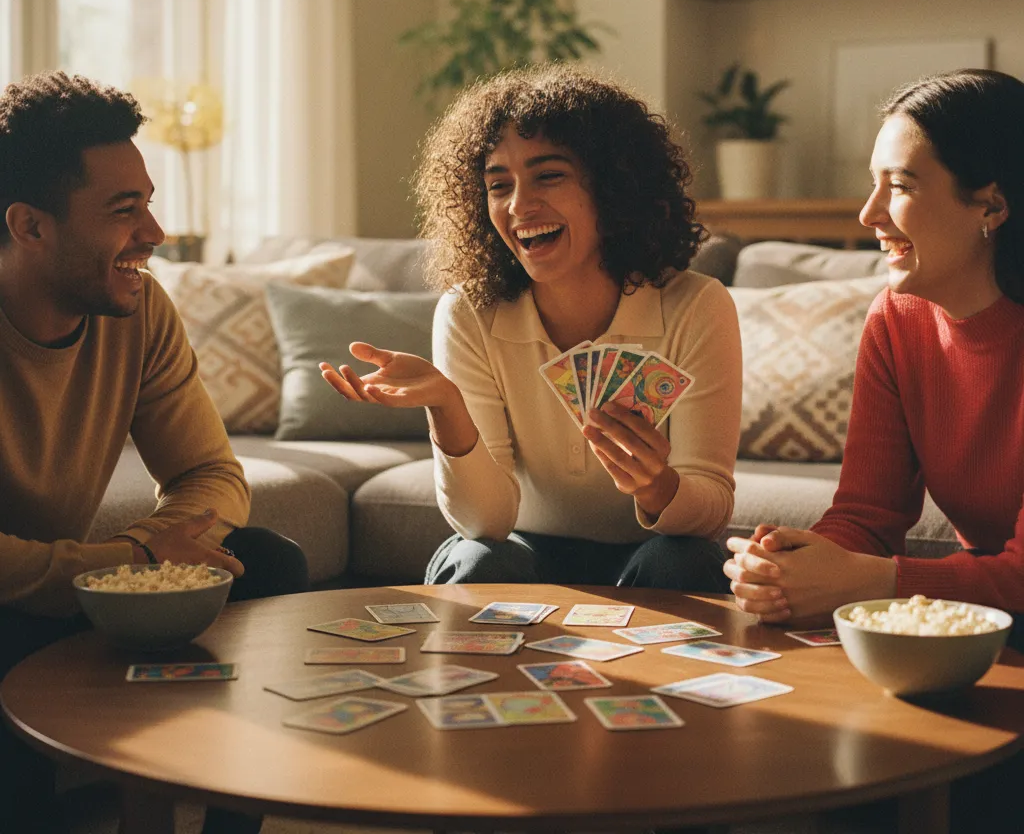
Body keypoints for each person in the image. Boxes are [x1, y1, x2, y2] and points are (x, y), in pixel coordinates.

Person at [0, 71, 310, 834]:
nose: (155, 233)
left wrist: (145, 556)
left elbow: (209, 473)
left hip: (69, 587)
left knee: (268, 562)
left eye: (148, 200)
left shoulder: (136, 309)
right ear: (30, 227)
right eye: (124, 208)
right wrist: (131, 563)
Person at [321, 63, 741, 590]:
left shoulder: (697, 305)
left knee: (684, 561)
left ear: (612, 188)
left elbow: (711, 508)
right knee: (480, 559)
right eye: (499, 185)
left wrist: (658, 487)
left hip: (648, 555)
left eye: (549, 175)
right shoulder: (468, 313)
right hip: (518, 554)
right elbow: (486, 524)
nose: (520, 205)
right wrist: (447, 407)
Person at [723, 69, 1024, 643]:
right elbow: (867, 515)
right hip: (983, 620)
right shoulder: (895, 319)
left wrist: (872, 580)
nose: (869, 213)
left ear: (992, 204)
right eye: (873, 183)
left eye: (901, 185)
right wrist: (792, 563)